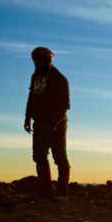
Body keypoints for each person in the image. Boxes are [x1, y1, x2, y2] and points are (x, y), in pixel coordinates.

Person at [24, 47, 70, 198]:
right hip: (39, 123)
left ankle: (63, 190)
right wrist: (27, 118)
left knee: (59, 157)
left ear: (48, 60)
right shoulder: (35, 76)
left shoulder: (58, 78)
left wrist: (54, 123)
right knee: (39, 156)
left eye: (39, 59)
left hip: (56, 124)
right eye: (34, 59)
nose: (36, 62)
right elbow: (32, 97)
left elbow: (64, 103)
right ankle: (45, 189)